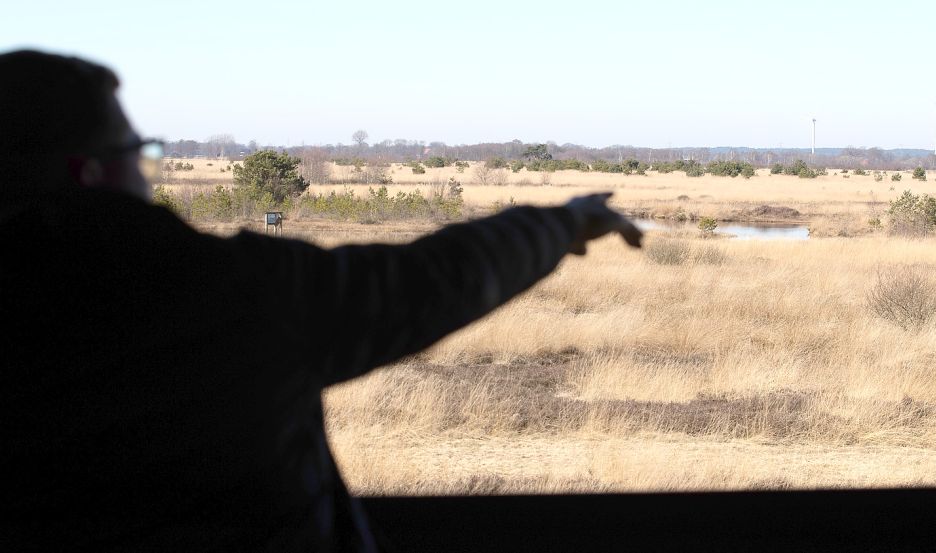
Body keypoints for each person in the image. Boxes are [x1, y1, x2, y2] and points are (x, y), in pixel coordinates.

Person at [0, 50, 642, 552]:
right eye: (136, 152)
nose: (147, 169)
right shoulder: (226, 291)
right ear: (89, 174)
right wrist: (563, 223)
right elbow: (431, 278)